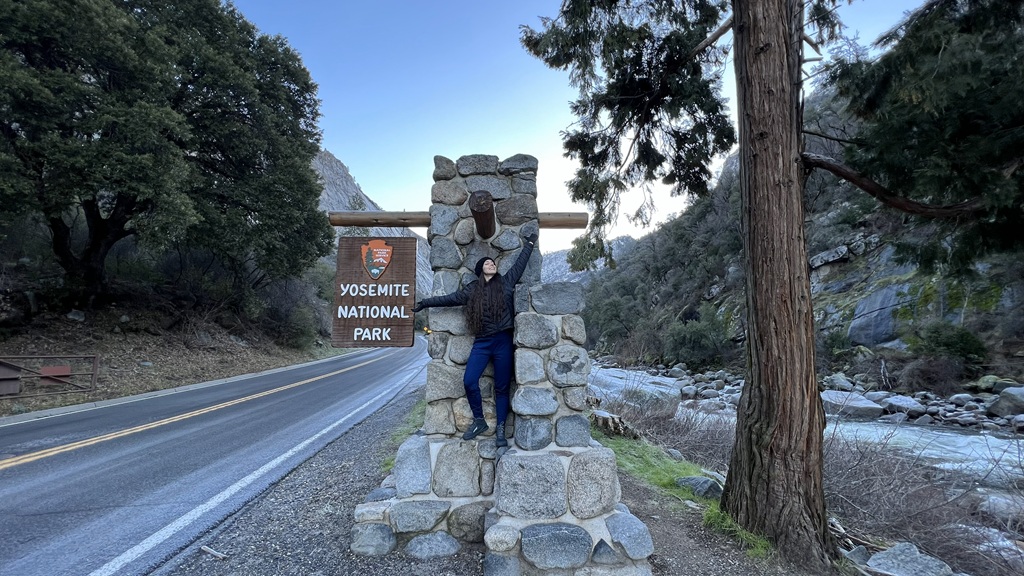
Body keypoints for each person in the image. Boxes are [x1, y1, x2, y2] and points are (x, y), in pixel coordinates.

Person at [412, 230, 538, 446]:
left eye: (493, 263)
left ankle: (500, 429)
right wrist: (426, 303)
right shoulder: (471, 290)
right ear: (481, 270)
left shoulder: (506, 283)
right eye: (487, 263)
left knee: (501, 387)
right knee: (469, 380)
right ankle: (479, 420)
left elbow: (519, 265)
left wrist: (529, 244)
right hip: (482, 342)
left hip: (503, 341)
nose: (492, 264)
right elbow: (449, 299)